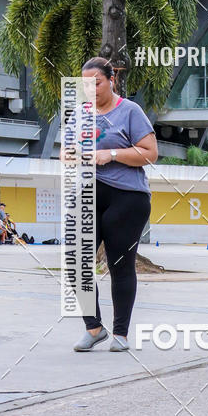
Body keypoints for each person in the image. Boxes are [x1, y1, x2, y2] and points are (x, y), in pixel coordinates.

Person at [69, 57, 158, 352]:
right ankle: (93, 328)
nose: (91, 89)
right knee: (77, 262)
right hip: (89, 192)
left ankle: (120, 333)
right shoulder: (79, 115)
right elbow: (66, 154)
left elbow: (150, 153)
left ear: (111, 80)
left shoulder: (130, 111)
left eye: (97, 82)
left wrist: (113, 155)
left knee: (119, 263)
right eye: (86, 84)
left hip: (127, 196)